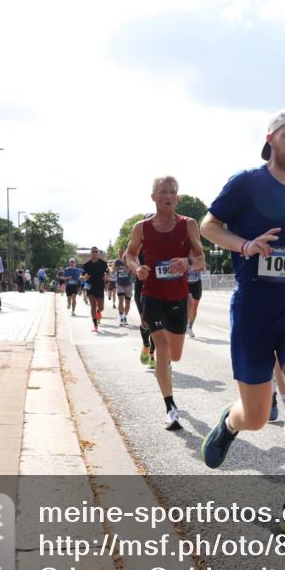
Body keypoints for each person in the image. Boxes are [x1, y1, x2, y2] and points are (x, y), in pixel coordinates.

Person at [199, 106, 285, 543]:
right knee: (257, 417)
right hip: (253, 311)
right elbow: (208, 226)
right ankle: (231, 422)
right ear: (272, 140)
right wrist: (245, 245)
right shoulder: (246, 183)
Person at [124, 176, 206, 430]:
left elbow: (201, 258)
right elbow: (130, 255)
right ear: (154, 197)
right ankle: (170, 407)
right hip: (152, 294)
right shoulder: (141, 227)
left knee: (175, 355)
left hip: (178, 296)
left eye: (172, 192)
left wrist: (187, 262)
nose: (168, 196)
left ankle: (165, 363)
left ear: (177, 197)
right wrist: (137, 268)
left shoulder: (188, 224)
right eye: (163, 192)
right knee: (161, 346)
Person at [81, 247, 109, 332]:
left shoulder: (103, 263)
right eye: (93, 251)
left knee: (101, 308)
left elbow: (108, 273)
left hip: (100, 286)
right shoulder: (86, 264)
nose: (94, 253)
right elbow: (81, 276)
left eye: (96, 251)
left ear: (98, 253)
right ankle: (95, 325)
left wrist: (106, 277)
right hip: (90, 286)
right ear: (91, 253)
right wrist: (84, 277)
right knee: (93, 305)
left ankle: (98, 312)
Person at [114, 249, 134, 326]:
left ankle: (125, 316)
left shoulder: (129, 261)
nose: (121, 253)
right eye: (119, 252)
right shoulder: (117, 262)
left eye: (122, 252)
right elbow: (112, 270)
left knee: (127, 303)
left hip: (128, 284)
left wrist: (127, 267)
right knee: (120, 300)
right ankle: (121, 317)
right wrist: (114, 268)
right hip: (120, 284)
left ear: (125, 253)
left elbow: (131, 271)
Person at [185, 263, 202, 338]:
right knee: (190, 302)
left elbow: (203, 266)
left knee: (194, 307)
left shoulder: (198, 256)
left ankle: (190, 327)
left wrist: (200, 268)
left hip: (197, 283)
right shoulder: (184, 256)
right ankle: (185, 324)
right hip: (187, 283)